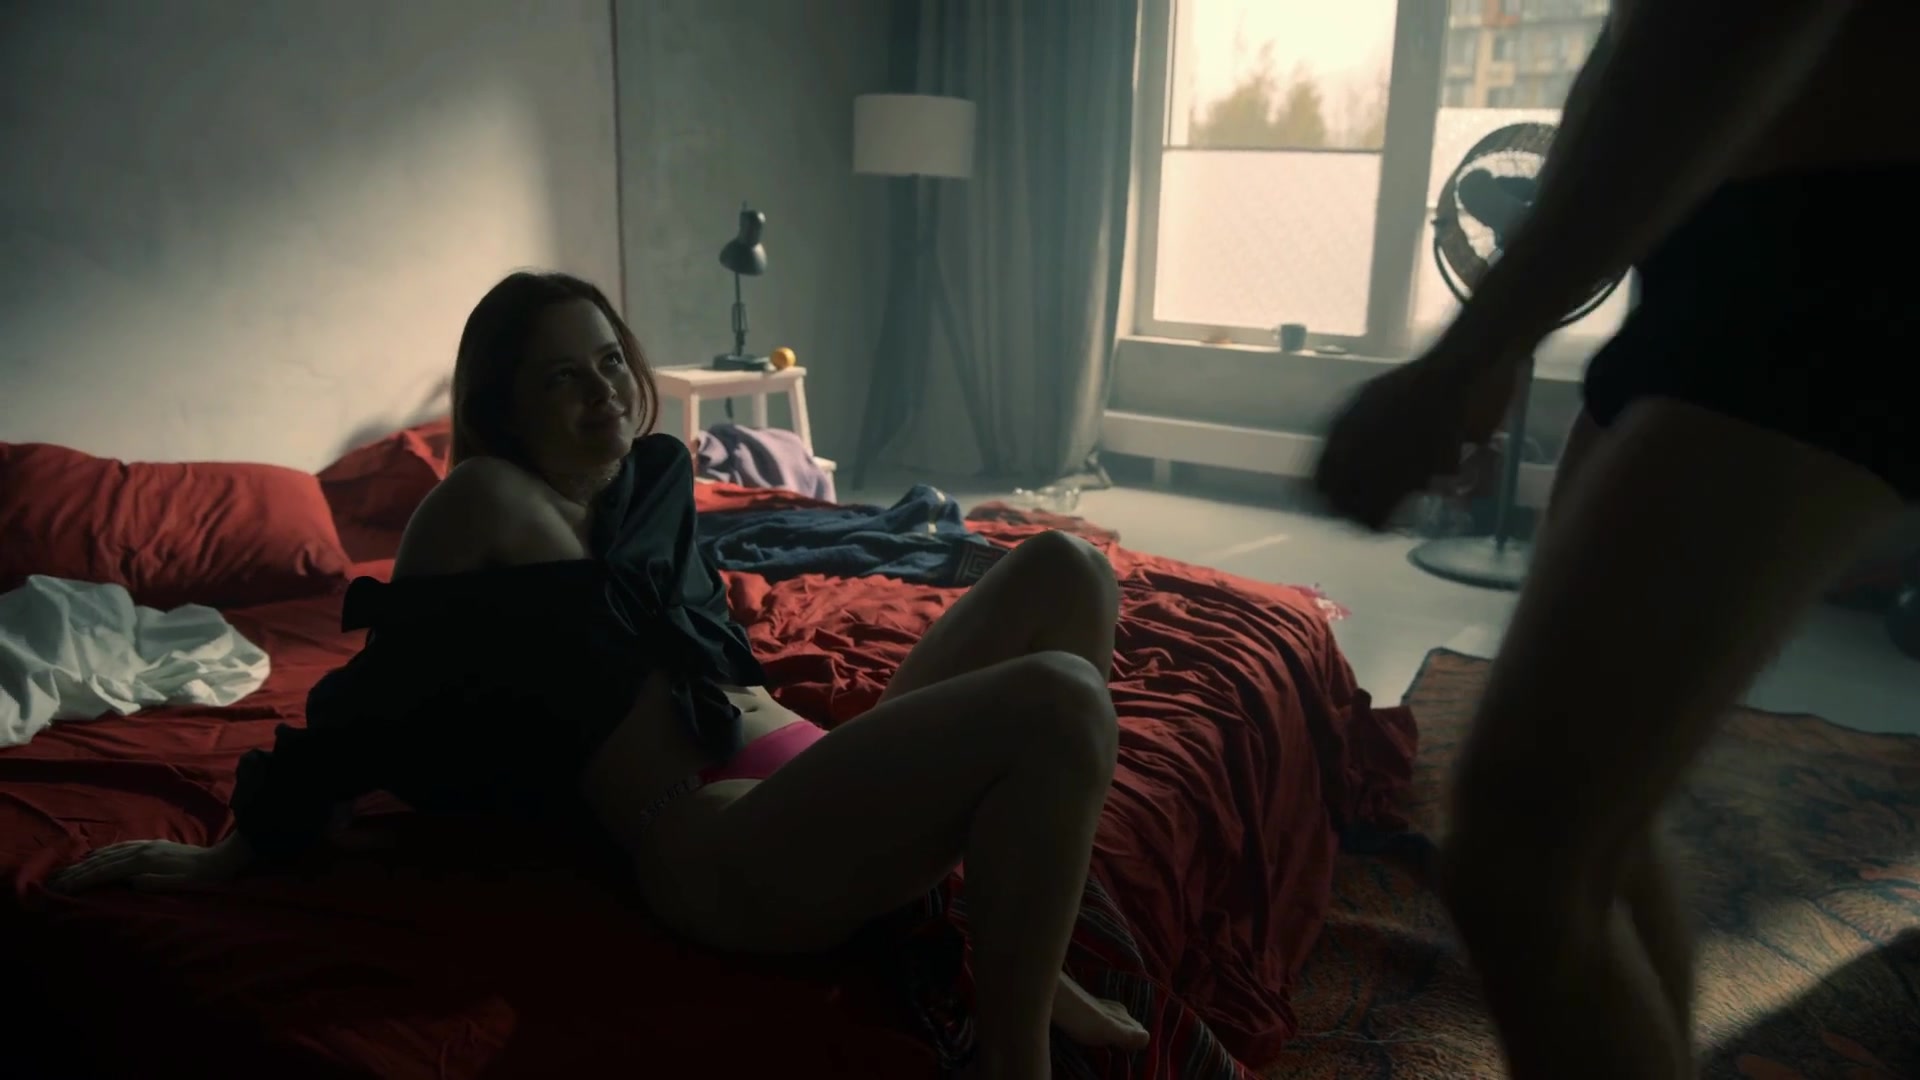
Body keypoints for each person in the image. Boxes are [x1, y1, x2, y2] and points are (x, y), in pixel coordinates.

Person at [48, 270, 1150, 1080]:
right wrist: (237, 850)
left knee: (1067, 567)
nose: (605, 393)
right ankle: (1014, 1057)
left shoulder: (653, 480)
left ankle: (1023, 940)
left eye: (611, 362)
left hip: (814, 775)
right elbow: (377, 695)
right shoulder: (484, 504)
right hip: (724, 842)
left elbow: (709, 642)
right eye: (563, 378)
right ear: (505, 406)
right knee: (1059, 696)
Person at [1314, 2, 1916, 1078]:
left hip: (1845, 250)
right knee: (1593, 833)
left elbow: (1720, 30)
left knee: (1517, 848)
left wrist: (1473, 349)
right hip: (1717, 254)